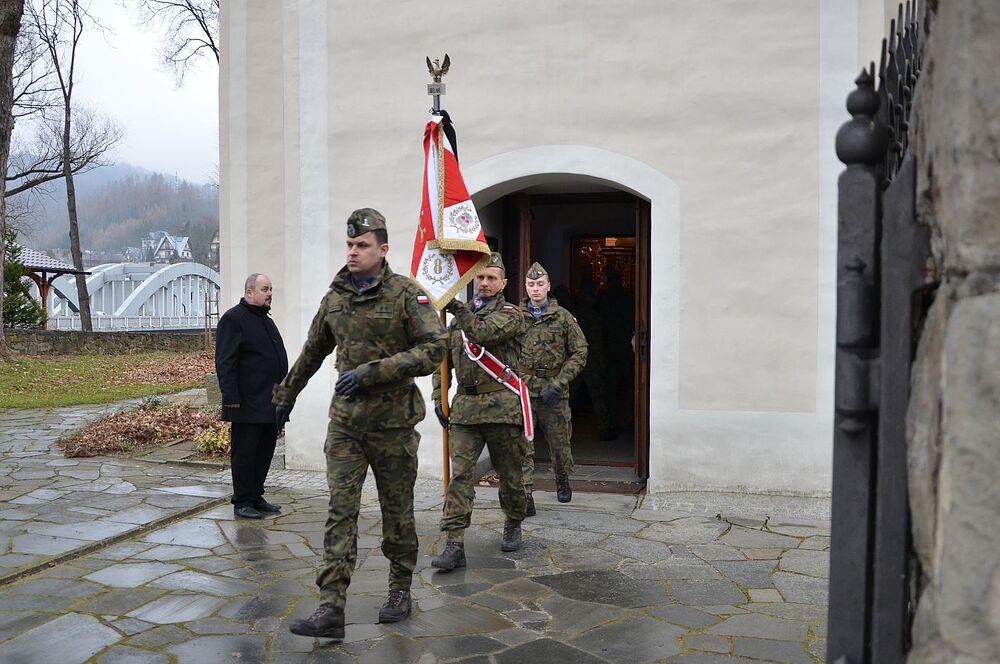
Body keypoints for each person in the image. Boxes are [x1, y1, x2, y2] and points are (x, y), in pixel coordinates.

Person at [274, 208, 447, 639]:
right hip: (346, 426)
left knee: (397, 512)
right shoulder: (335, 297)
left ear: (382, 249)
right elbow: (313, 352)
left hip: (392, 427)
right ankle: (331, 606)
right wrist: (285, 396)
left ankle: (400, 589)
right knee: (340, 513)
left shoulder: (408, 294)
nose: (353, 252)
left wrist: (374, 372)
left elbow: (435, 348)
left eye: (362, 245)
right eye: (350, 245)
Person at [431, 252, 529, 571]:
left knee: (510, 477)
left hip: (502, 408)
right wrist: (438, 397)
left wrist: (454, 305)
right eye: (480, 277)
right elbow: (441, 361)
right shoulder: (457, 321)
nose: (484, 283)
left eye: (490, 278)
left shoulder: (513, 314)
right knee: (459, 477)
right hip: (465, 410)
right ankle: (454, 543)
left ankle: (513, 521)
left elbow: (483, 333)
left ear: (503, 283)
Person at [215, 273, 288, 520]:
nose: (270, 294)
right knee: (245, 454)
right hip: (246, 402)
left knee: (264, 452)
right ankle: (242, 501)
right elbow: (225, 361)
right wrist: (231, 397)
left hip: (269, 402)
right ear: (249, 292)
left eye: (271, 289)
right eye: (265, 289)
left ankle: (256, 495)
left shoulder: (265, 320)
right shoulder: (234, 319)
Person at [520, 262, 588, 514]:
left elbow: (580, 351)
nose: (535, 289)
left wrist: (560, 383)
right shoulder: (516, 317)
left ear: (548, 287)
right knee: (522, 446)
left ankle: (562, 479)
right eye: (531, 285)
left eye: (540, 284)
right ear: (525, 287)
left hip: (554, 392)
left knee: (559, 445)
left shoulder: (563, 318)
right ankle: (525, 493)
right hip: (524, 391)